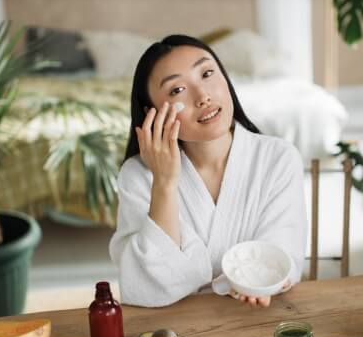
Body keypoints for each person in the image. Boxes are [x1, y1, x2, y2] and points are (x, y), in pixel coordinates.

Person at [109, 34, 307, 308]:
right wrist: (164, 183)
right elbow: (148, 283)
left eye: (207, 73)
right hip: (172, 326)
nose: (203, 96)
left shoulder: (279, 158)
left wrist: (263, 283)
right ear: (152, 112)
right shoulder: (138, 176)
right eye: (177, 90)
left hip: (257, 315)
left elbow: (280, 257)